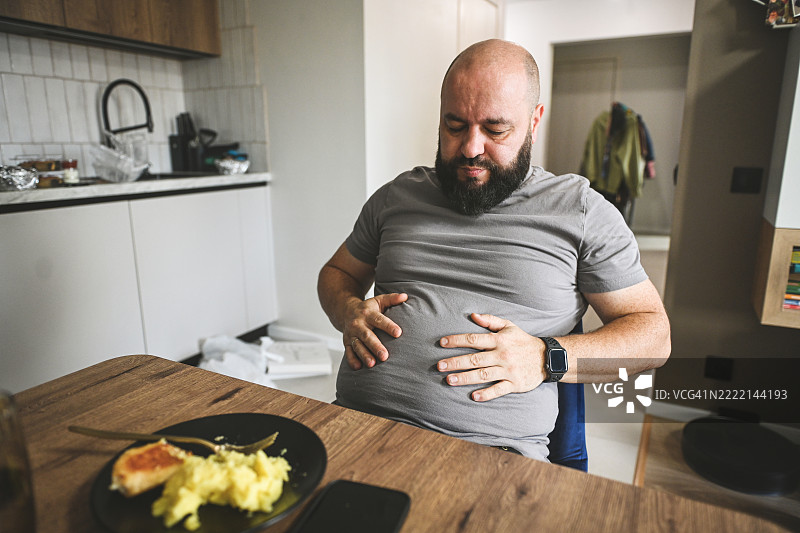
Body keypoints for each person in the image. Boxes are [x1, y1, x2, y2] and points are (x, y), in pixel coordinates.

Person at [317, 39, 670, 464]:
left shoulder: (580, 211)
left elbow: (654, 337)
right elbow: (337, 272)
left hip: (489, 458)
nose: (470, 147)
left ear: (534, 121)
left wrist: (547, 357)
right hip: (354, 427)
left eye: (495, 129)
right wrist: (348, 310)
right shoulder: (398, 196)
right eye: (454, 126)